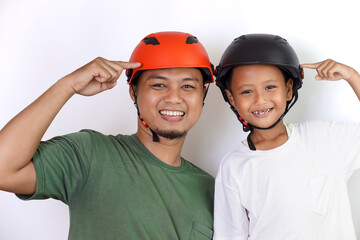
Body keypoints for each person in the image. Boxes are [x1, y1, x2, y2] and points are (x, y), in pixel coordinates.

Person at [0, 31, 215, 240]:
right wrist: (68, 85)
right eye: (159, 84)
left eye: (188, 86)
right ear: (134, 92)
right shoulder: (91, 154)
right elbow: (3, 169)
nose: (174, 97)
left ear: (202, 96)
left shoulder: (214, 190)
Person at [213, 33, 360, 240]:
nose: (260, 99)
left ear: (288, 89)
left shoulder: (326, 138)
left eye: (270, 87)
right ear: (232, 98)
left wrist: (352, 76)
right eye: (246, 91)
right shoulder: (234, 167)